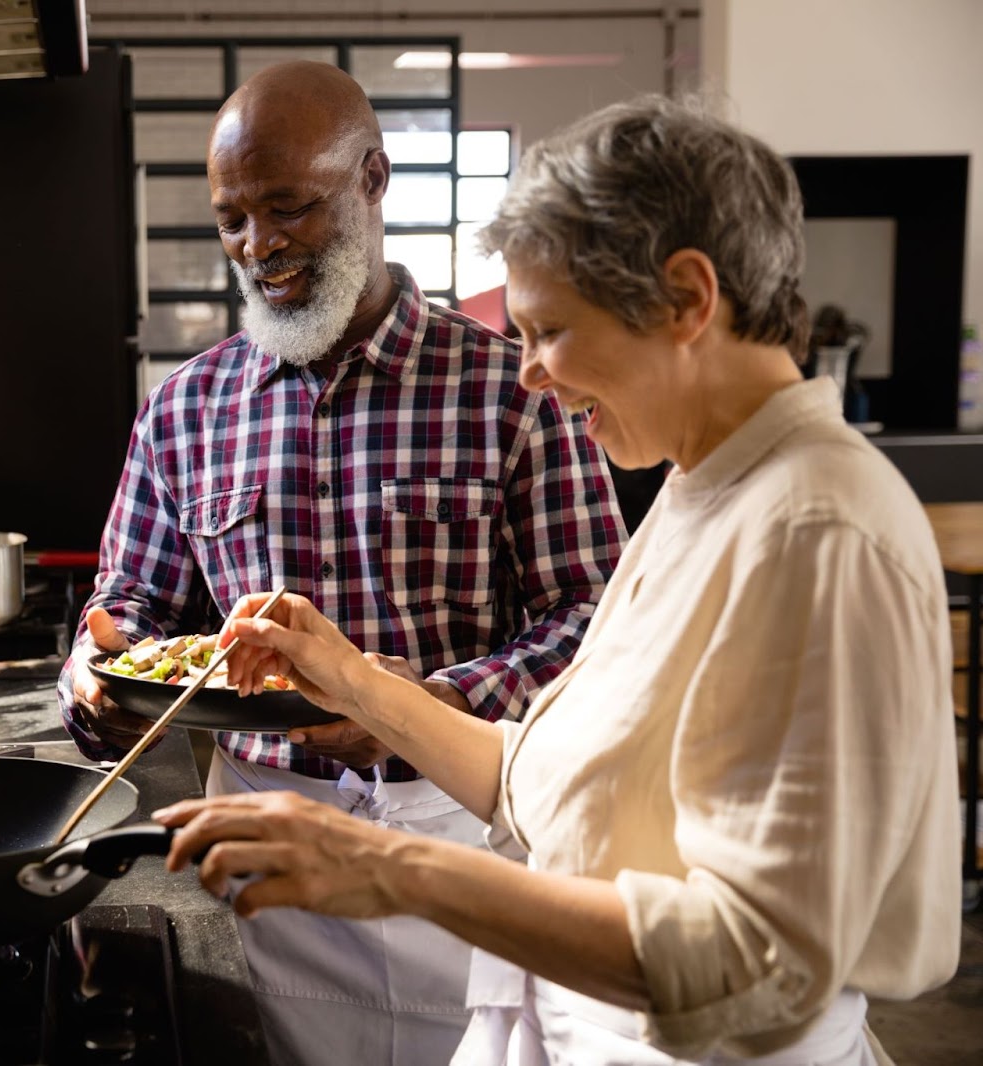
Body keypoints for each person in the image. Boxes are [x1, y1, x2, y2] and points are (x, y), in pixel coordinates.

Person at [154, 94, 961, 1065]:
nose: (529, 373)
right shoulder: (707, 478)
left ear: (686, 299)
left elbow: (760, 965)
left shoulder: (818, 529)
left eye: (548, 330)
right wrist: (350, 677)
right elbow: (540, 786)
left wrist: (388, 864)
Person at [57, 61, 625, 1065]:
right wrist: (93, 673)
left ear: (372, 179)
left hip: (462, 827)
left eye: (289, 206)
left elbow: (595, 620)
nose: (256, 244)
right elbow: (129, 601)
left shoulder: (513, 389)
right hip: (266, 843)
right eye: (232, 216)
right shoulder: (184, 409)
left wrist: (429, 701)